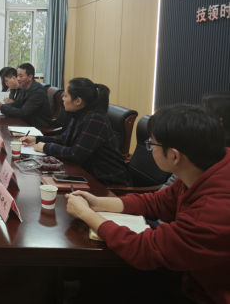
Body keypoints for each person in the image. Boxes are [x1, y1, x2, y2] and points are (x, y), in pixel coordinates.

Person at [65, 104, 230, 303]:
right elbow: (158, 202)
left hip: (207, 292)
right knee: (103, 278)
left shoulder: (214, 210)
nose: (149, 149)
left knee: (111, 282)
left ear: (175, 156)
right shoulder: (201, 170)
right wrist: (98, 203)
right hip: (193, 270)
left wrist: (86, 214)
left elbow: (145, 250)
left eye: (152, 144)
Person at [21, 77, 131, 186]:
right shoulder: (80, 113)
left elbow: (76, 154)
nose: (63, 98)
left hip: (107, 183)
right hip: (86, 174)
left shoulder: (95, 119)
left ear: (78, 101)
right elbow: (64, 138)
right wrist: (37, 139)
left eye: (66, 96)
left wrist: (46, 147)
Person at [161, 91, 230, 190]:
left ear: (220, 120)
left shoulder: (212, 150)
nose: (199, 115)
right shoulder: (202, 140)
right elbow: (174, 183)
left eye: (205, 111)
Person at [0, 63, 53, 130]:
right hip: (26, 124)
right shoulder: (24, 88)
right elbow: (16, 104)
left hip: (38, 129)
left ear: (30, 77)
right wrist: (0, 106)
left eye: (21, 76)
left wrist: (2, 107)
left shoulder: (37, 92)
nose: (18, 78)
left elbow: (23, 112)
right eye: (17, 75)